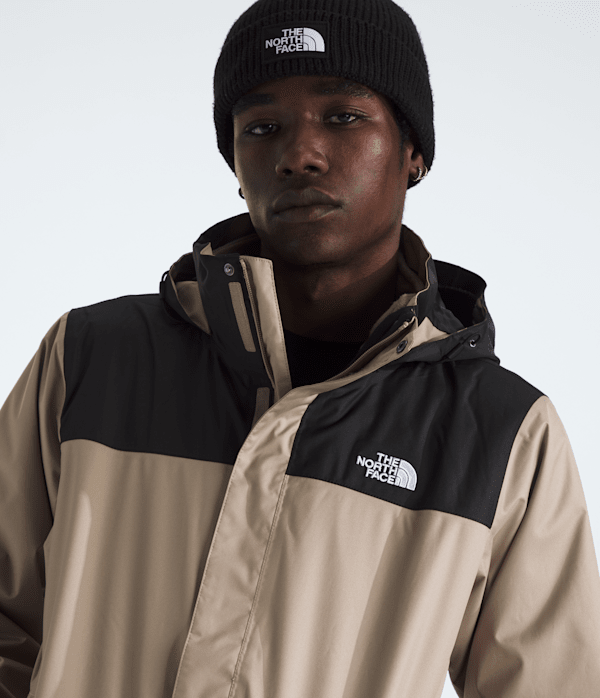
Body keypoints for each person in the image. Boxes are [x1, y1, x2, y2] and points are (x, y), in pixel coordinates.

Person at [1, 0, 599, 696]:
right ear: (234, 162)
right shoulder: (91, 360)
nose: (298, 155)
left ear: (413, 152)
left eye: (343, 117)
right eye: (262, 128)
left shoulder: (501, 435)